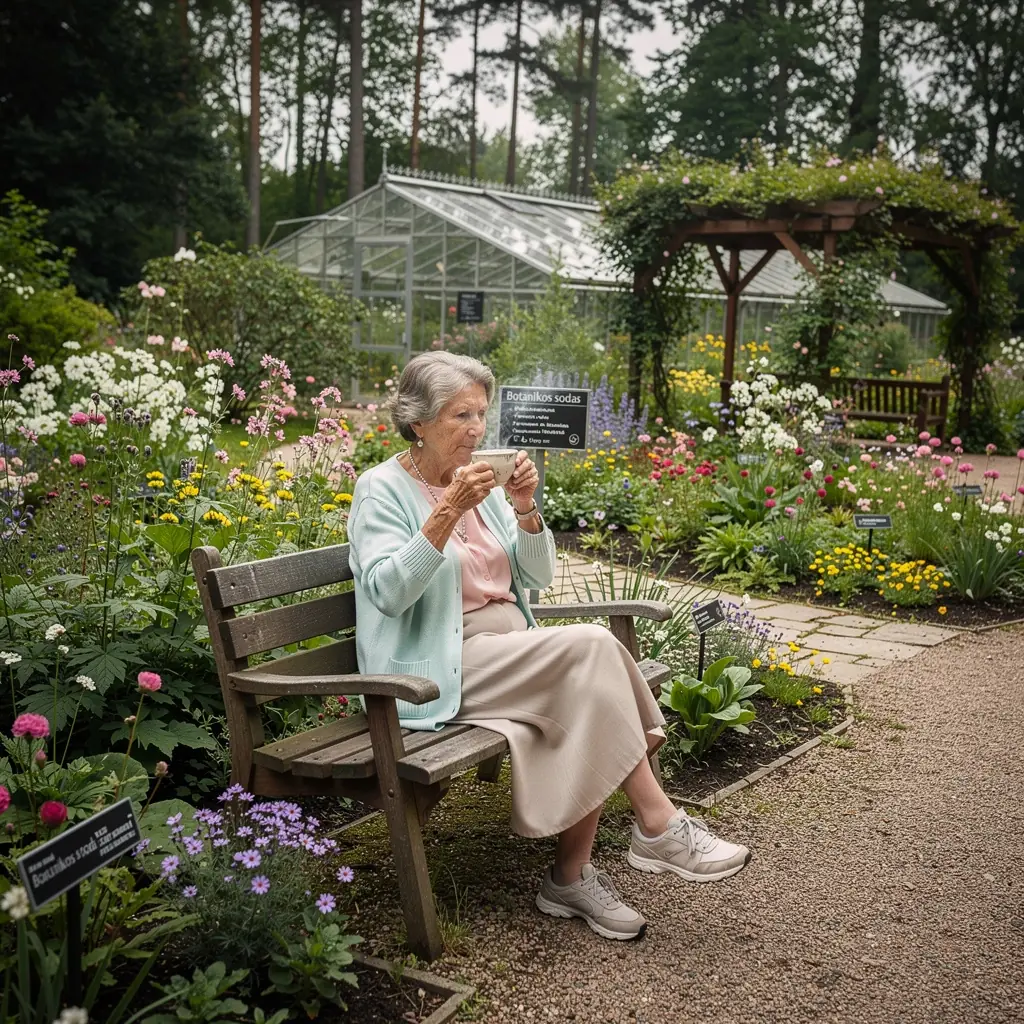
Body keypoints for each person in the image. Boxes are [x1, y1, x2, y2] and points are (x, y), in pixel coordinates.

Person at [348, 351, 750, 941]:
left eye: (482, 413)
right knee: (590, 651)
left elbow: (534, 579)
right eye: (461, 415)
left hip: (513, 653)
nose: (477, 429)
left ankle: (570, 875)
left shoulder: (483, 485)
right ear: (419, 423)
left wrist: (525, 510)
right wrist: (446, 511)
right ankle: (657, 824)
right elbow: (387, 592)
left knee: (586, 684)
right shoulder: (380, 489)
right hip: (435, 667)